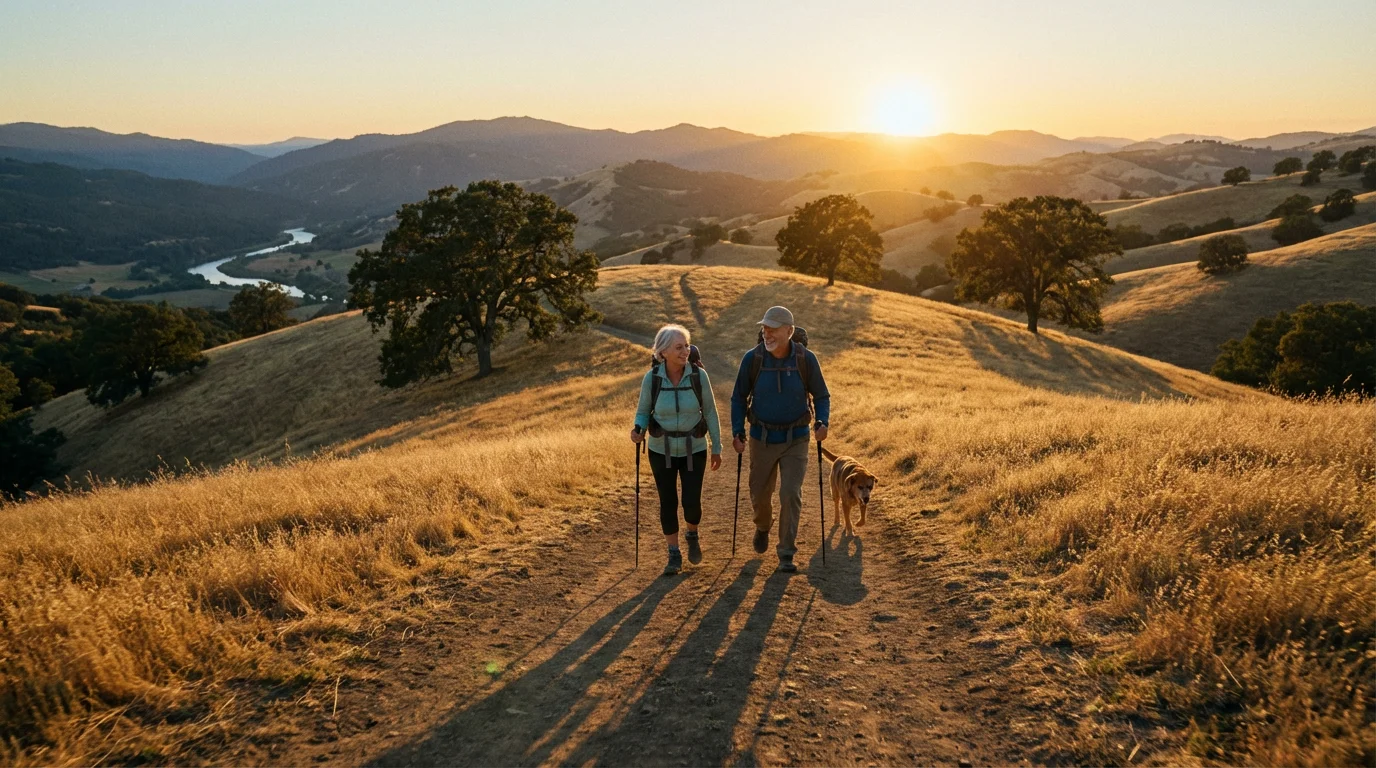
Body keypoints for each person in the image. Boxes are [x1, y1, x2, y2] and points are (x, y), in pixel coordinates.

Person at [730, 305, 830, 573]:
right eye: (765, 328)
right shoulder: (753, 359)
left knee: (790, 493)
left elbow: (821, 395)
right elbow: (739, 397)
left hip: (796, 438)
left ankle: (786, 552)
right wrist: (737, 431)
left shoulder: (805, 359)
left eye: (773, 328)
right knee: (760, 494)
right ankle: (763, 526)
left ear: (789, 331)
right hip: (761, 438)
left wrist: (823, 422)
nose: (767, 333)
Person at [631, 324, 723, 575]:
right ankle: (673, 553)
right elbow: (642, 411)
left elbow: (711, 412)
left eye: (687, 345)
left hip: (695, 448)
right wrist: (638, 428)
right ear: (663, 352)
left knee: (692, 503)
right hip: (661, 449)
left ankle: (691, 533)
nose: (686, 351)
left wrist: (717, 447)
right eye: (679, 347)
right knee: (668, 501)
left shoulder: (698, 376)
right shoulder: (652, 378)